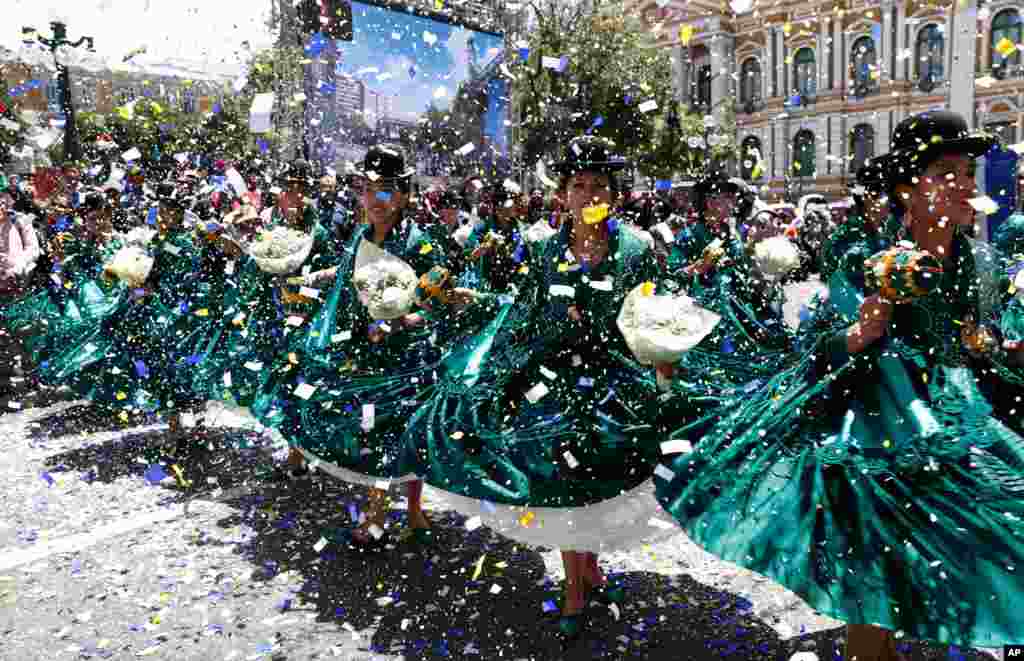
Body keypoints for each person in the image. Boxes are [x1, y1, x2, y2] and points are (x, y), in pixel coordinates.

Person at [656, 110, 1024, 657]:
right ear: (907, 188)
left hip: (953, 429)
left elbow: (969, 346)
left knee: (950, 556)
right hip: (876, 440)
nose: (965, 184)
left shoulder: (973, 262)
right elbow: (813, 347)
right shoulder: (865, 259)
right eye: (946, 171)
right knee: (873, 583)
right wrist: (859, 332)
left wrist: (994, 349)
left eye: (968, 171)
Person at [401, 136, 681, 640]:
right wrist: (477, 302)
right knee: (564, 486)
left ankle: (589, 572)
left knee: (600, 484)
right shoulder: (543, 247)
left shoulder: (637, 249)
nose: (590, 193)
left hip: (616, 388)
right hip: (553, 389)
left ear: (613, 194)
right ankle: (575, 588)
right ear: (564, 194)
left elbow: (652, 315)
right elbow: (523, 310)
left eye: (599, 185)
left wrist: (647, 350)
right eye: (579, 185)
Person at [254, 144, 488, 547]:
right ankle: (413, 514)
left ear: (403, 194)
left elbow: (442, 302)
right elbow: (344, 276)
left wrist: (405, 322)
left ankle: (378, 519)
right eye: (368, 188)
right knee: (383, 433)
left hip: (407, 357)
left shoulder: (421, 244)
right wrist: (304, 284)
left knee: (392, 432)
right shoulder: (360, 234)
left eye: (386, 190)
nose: (375, 199)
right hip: (364, 350)